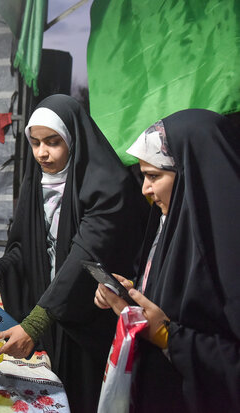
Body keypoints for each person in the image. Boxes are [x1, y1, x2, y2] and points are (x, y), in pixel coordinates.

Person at [0, 94, 150, 413]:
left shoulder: (108, 187)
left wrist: (36, 322)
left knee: (87, 396)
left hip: (89, 316)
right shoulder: (38, 180)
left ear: (74, 138)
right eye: (35, 143)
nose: (42, 153)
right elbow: (27, 246)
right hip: (52, 309)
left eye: (53, 142)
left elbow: (85, 255)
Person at [94, 109, 240, 412]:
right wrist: (132, 298)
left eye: (154, 176)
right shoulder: (169, 226)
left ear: (192, 173)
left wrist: (167, 336)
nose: (145, 189)